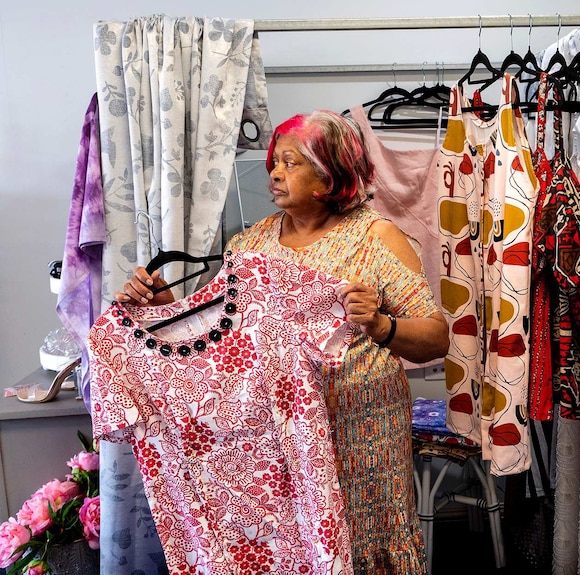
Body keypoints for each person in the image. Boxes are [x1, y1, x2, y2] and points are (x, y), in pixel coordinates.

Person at [115, 110, 450, 574]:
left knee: (362, 542)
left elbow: (436, 337)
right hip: (280, 443)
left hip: (360, 437)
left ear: (328, 173)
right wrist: (164, 306)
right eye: (275, 162)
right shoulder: (247, 248)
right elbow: (217, 344)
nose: (274, 172)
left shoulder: (376, 238)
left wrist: (381, 328)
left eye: (290, 162)